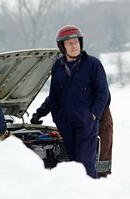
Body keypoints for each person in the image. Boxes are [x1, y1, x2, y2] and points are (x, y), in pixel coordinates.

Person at [47, 25, 109, 178]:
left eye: (76, 42)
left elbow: (103, 93)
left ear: (80, 43)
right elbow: (53, 95)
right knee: (73, 163)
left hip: (86, 123)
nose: (74, 46)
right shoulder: (57, 67)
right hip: (66, 124)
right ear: (62, 46)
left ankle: (90, 192)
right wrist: (57, 117)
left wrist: (93, 114)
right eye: (69, 43)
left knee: (85, 164)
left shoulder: (93, 64)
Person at [31, 95, 113, 177]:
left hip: (100, 119)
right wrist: (39, 113)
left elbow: (104, 96)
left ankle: (101, 182)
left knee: (101, 155)